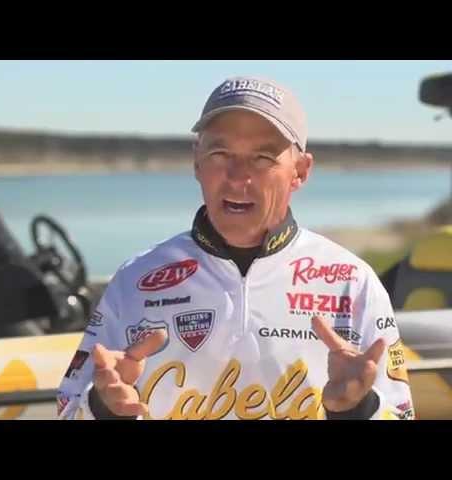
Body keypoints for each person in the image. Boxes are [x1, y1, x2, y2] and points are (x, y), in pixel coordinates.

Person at [57, 76, 414, 420]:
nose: (237, 176)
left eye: (262, 157)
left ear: (300, 171)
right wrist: (103, 407)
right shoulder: (136, 279)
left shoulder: (351, 282)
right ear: (197, 161)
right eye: (220, 152)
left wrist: (357, 409)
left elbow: (400, 413)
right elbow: (69, 410)